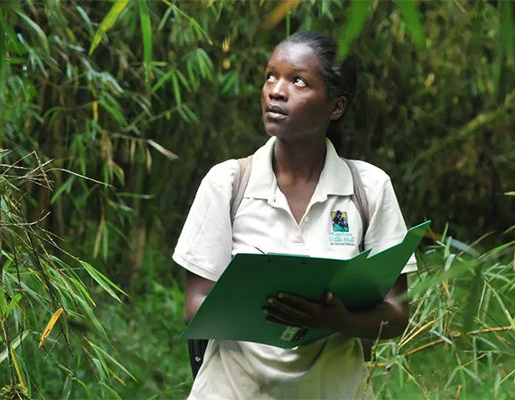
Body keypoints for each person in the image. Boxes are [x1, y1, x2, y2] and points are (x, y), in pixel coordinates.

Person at [173, 31, 416, 399]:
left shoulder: (369, 188)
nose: (276, 90)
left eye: (297, 80)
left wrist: (339, 321)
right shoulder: (228, 182)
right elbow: (196, 305)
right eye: (271, 76)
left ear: (336, 107)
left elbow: (396, 313)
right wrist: (276, 309)